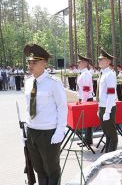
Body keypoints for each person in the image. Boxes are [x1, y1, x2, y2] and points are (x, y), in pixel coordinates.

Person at [23, 44, 67, 185]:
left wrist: (60, 131)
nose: (30, 65)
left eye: (34, 63)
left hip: (48, 133)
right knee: (39, 170)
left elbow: (62, 107)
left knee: (51, 170)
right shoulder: (29, 82)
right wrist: (26, 128)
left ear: (44, 63)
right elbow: (28, 106)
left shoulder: (53, 83)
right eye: (29, 62)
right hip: (32, 132)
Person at [97, 48, 118, 153]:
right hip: (102, 106)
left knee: (112, 134)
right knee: (107, 133)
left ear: (108, 61)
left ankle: (111, 156)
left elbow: (111, 94)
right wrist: (99, 108)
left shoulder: (109, 74)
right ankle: (108, 154)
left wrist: (108, 111)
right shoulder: (102, 74)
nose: (99, 61)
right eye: (99, 59)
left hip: (107, 107)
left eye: (102, 59)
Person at [76, 54, 94, 145]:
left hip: (86, 99)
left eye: (79, 62)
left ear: (84, 63)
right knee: (85, 121)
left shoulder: (86, 74)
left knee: (87, 121)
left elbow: (86, 90)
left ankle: (88, 140)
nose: (78, 64)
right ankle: (86, 139)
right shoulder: (83, 73)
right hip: (83, 99)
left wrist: (83, 102)